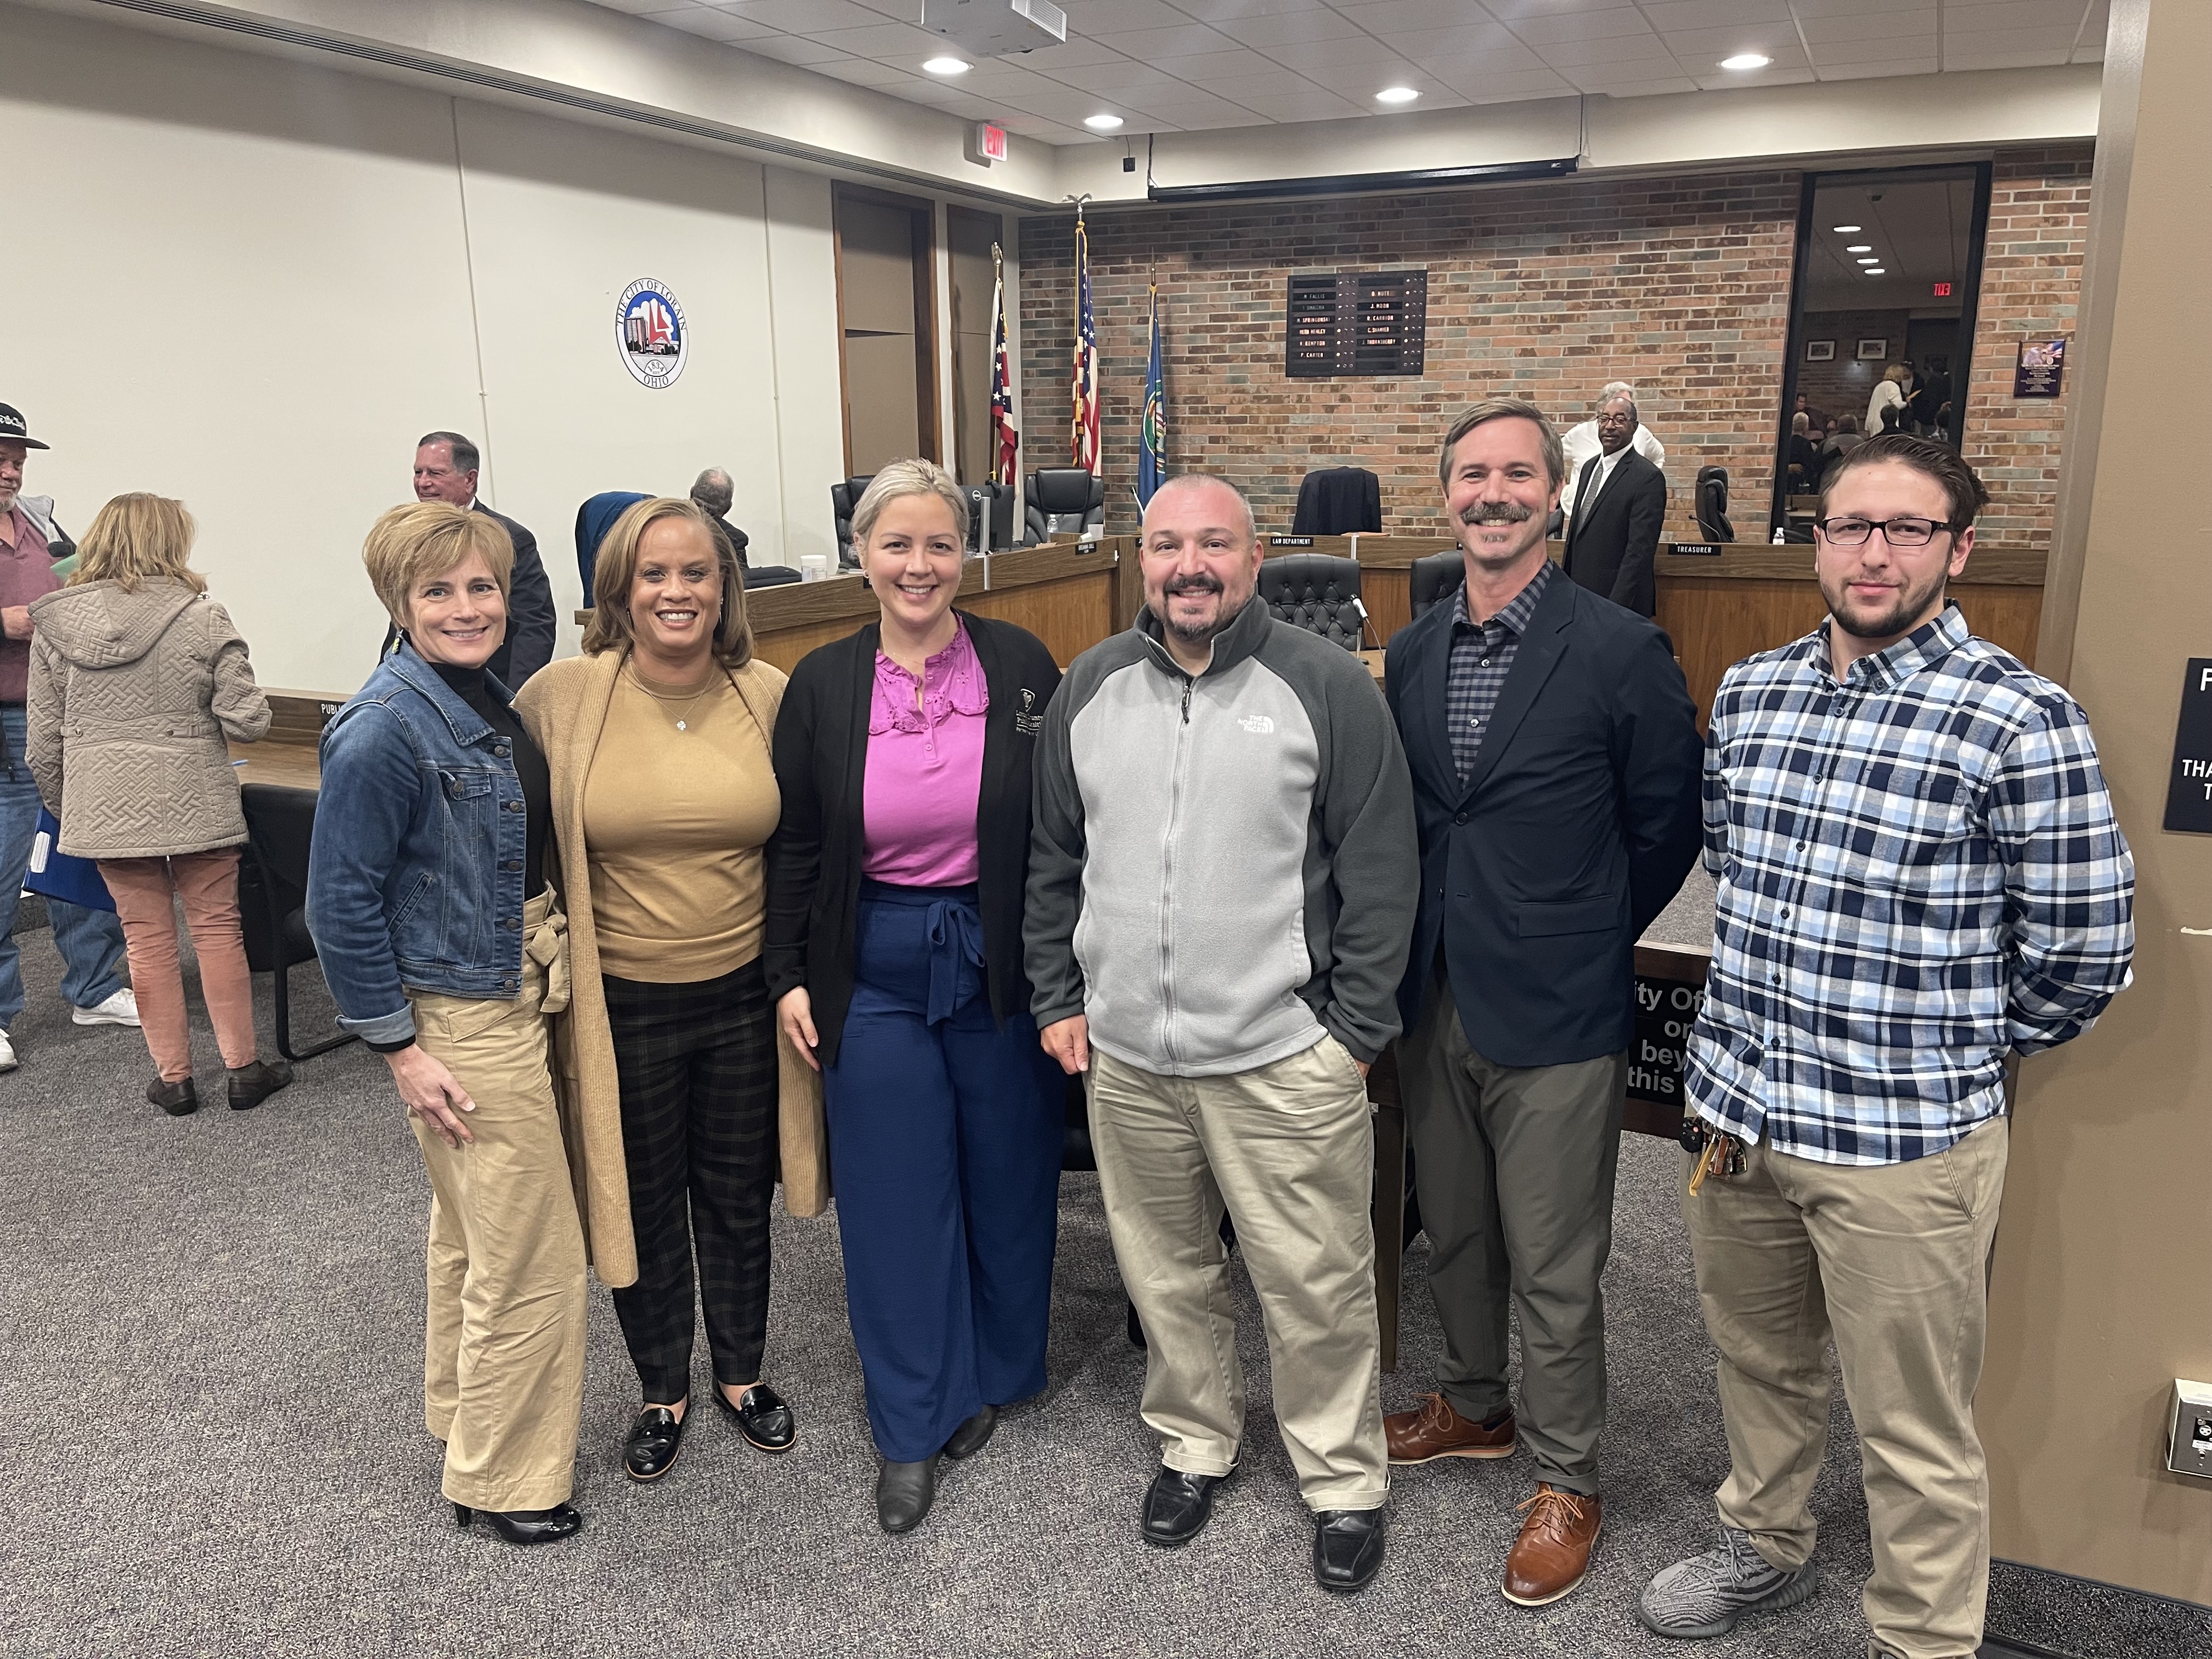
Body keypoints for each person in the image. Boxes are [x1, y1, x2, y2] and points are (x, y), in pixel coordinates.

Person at [1639, 435, 2135, 1656]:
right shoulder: (1752, 691)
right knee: (1758, 1366)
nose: (1873, 553)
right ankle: (1765, 1545)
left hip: (1901, 1144)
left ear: (1956, 551)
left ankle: (1922, 1638)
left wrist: (1950, 1047)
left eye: (1906, 529)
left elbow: (2088, 951)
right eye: (1850, 525)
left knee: (1912, 1424)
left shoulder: (2021, 720)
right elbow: (1734, 891)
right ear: (1816, 541)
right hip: (1740, 1116)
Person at [1027, 472, 1418, 1595]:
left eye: (1214, 545)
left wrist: (1351, 1034)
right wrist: (1058, 996)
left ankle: (1344, 1480)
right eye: (1166, 546)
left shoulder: (1327, 685)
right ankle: (1195, 1443)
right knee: (1167, 1273)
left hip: (1283, 1056)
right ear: (1139, 561)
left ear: (1256, 559)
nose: (1188, 567)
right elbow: (1056, 859)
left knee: (1316, 1278)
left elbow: (1384, 870)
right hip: (1132, 1058)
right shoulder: (1092, 687)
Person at [1382, 398, 1703, 1607]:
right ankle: (1474, 1403)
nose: (1494, 494)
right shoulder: (1413, 650)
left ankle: (1571, 1473)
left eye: (1518, 474)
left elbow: (1667, 827)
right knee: (1455, 1224)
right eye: (1472, 475)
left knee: (1558, 1259)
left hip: (1562, 1002)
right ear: (1447, 493)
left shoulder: (1620, 647)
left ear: (1554, 497)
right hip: (1438, 989)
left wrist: (1585, 927)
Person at [768, 459, 1064, 1535]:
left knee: (1009, 1176)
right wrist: (789, 976)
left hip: (1001, 960)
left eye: (940, 544)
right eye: (897, 545)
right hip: (874, 963)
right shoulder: (822, 685)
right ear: (862, 555)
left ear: (965, 556)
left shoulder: (1024, 666)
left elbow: (1061, 832)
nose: (919, 565)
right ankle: (909, 1422)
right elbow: (797, 847)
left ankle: (991, 1373)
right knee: (895, 1200)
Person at [514, 495, 821, 1492]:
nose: (677, 590)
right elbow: (514, 839)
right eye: (654, 574)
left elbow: (804, 842)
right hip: (622, 1003)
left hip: (744, 995)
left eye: (697, 572)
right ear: (619, 590)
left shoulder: (766, 692)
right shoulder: (562, 698)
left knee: (736, 1196)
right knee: (640, 1201)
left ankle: (740, 1372)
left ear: (724, 586)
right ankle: (661, 1387)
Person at [307, 501, 591, 1547]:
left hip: (505, 984)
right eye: (439, 591)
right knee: (534, 1252)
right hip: (464, 1015)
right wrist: (397, 1046)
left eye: (481, 586)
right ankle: (504, 1478)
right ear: (398, 601)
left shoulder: (481, 695)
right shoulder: (387, 724)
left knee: (470, 1234)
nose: (467, 607)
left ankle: (459, 1418)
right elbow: (338, 900)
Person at [25, 494, 290, 1116]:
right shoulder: (203, 618)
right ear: (171, 544)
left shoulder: (55, 627)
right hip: (194, 796)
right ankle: (243, 1070)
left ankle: (174, 1080)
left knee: (145, 942)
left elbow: (43, 743)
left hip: (102, 805)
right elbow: (249, 722)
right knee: (218, 932)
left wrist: (75, 809)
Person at [0, 402, 138, 1071]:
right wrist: (11, 620)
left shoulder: (40, 520)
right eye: (1, 457)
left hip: (64, 712)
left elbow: (79, 577)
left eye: (19, 458)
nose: (12, 470)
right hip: (4, 724)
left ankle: (95, 986)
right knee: (5, 867)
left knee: (79, 854)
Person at [379, 431, 556, 687]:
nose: (423, 483)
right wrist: (384, 680)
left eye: (435, 473)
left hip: (487, 686)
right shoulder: (408, 535)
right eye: (419, 473)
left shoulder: (510, 537)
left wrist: (515, 700)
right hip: (419, 686)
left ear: (470, 480)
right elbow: (402, 620)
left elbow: (534, 624)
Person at [1561, 391, 1667, 617]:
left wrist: (1616, 608)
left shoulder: (1647, 477)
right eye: (1604, 419)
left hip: (1618, 603)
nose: (1610, 426)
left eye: (1620, 419)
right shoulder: (1589, 467)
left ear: (1634, 427)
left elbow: (1640, 551)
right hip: (1578, 596)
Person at [1559, 382, 1664, 523]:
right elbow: (1552, 457)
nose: (1611, 425)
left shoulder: (1642, 434)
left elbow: (1658, 456)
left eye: (1621, 417)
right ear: (1602, 407)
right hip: (1582, 517)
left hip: (1621, 519)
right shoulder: (1580, 434)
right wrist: (1561, 488)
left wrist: (1645, 485)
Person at [689, 467, 751, 571]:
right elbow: (743, 583)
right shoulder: (736, 539)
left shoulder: (664, 521)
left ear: (692, 492)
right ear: (728, 508)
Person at [1866, 365, 1909, 444]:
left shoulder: (1880, 385)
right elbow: (1897, 405)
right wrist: (1907, 403)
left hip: (1873, 419)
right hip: (1883, 421)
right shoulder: (1893, 386)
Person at [1785, 412, 1824, 495]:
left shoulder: (1784, 443)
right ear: (1806, 427)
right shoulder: (1805, 444)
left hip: (1784, 485)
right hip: (1800, 486)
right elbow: (1812, 466)